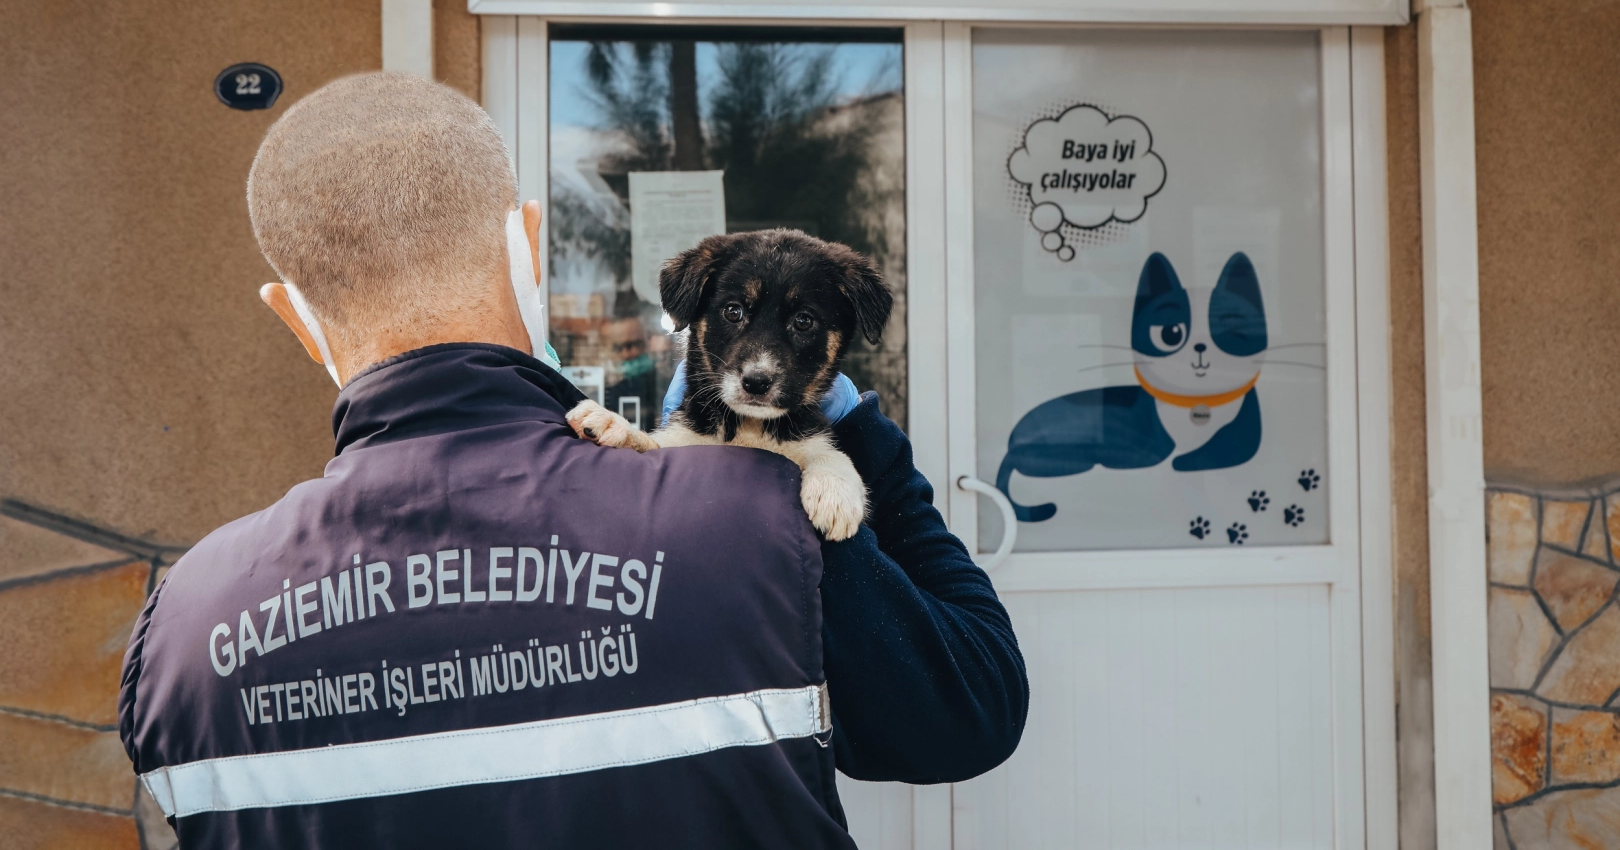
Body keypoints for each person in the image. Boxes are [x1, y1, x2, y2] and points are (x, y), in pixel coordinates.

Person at [118, 72, 1026, 848]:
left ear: (292, 314)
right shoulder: (750, 519)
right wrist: (859, 437)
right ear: (528, 246)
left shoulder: (180, 635)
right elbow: (968, 714)